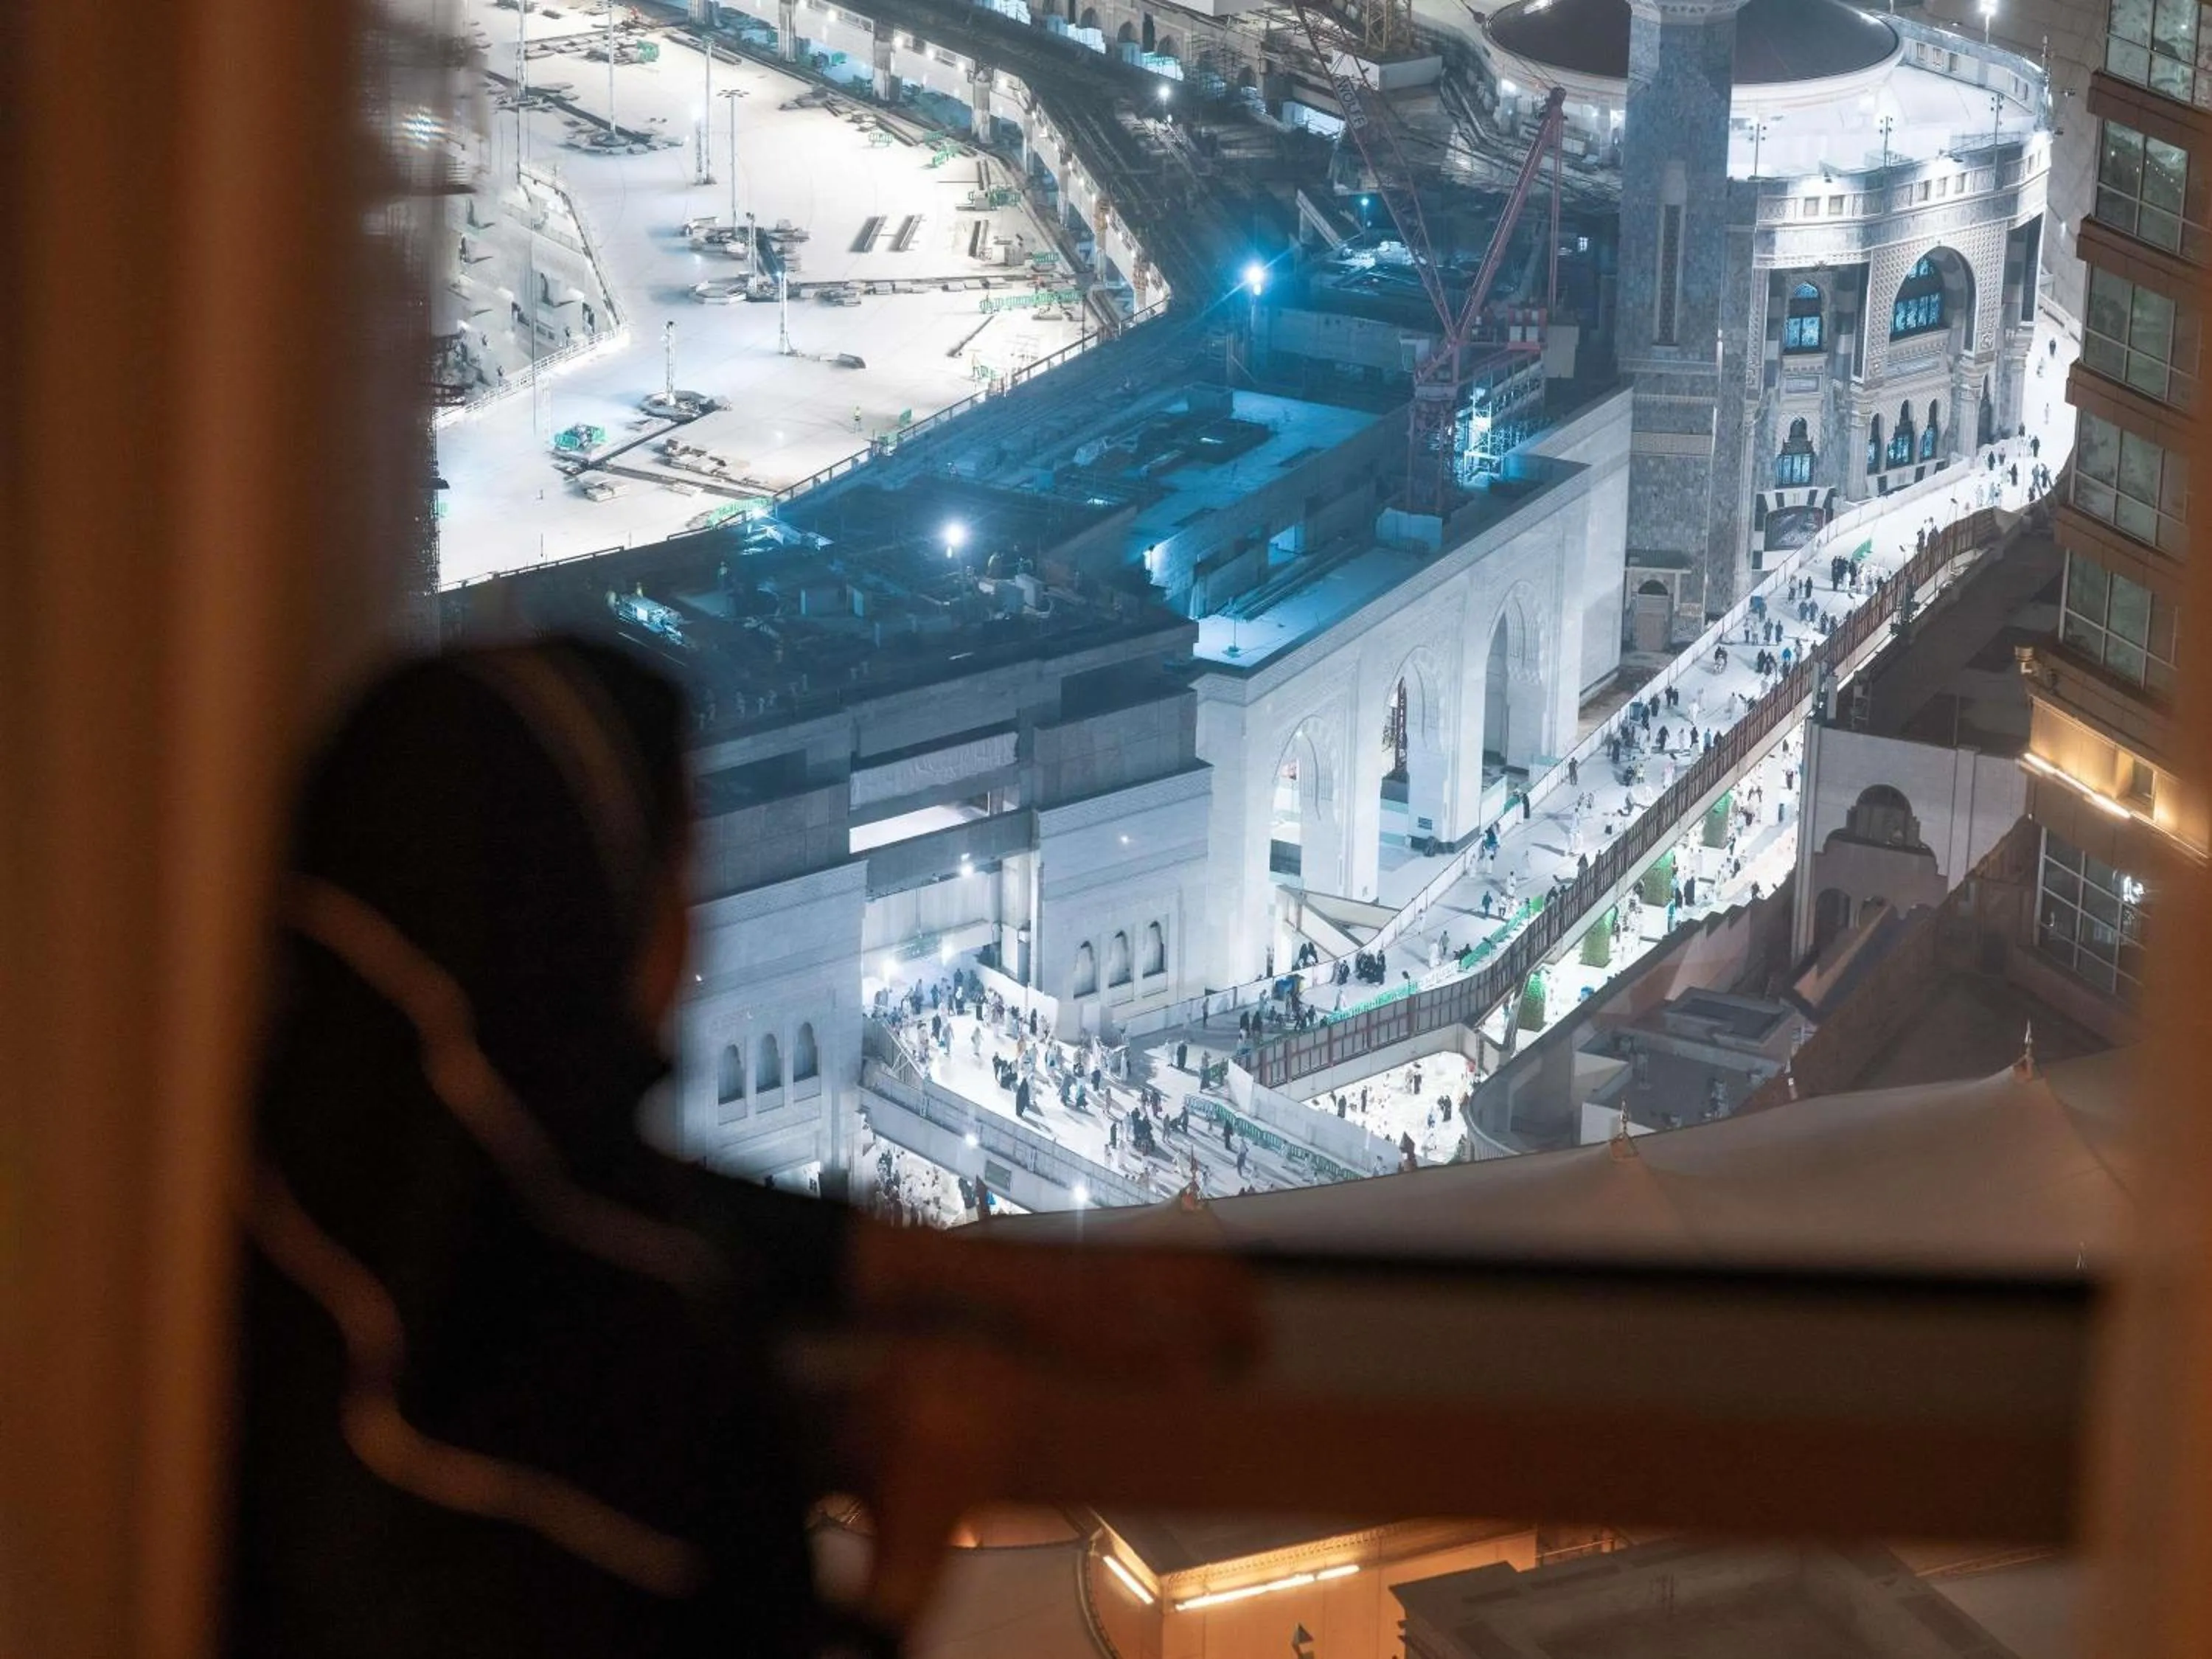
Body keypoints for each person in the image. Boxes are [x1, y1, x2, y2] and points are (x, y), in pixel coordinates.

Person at [228, 641, 1253, 1659]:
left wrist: (972, 1273)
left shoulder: (284, 1207)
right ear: (588, 918)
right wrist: (909, 1549)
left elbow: (617, 1205)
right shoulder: (637, 1402)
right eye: (676, 868)